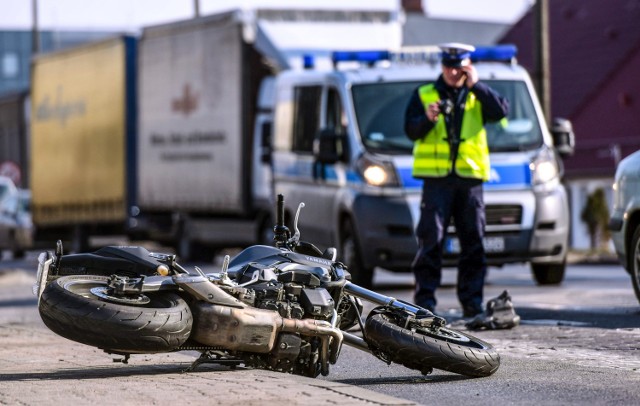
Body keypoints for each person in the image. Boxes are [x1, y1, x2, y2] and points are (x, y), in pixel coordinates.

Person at [404, 43, 509, 317]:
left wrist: (477, 85)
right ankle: (425, 301)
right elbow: (410, 131)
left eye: (458, 67)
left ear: (467, 66)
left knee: (473, 241)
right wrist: (427, 119)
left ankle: (472, 302)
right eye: (448, 67)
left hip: (469, 180)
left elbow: (501, 112)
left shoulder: (477, 95)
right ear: (441, 66)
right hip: (436, 181)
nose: (452, 72)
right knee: (431, 240)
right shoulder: (425, 94)